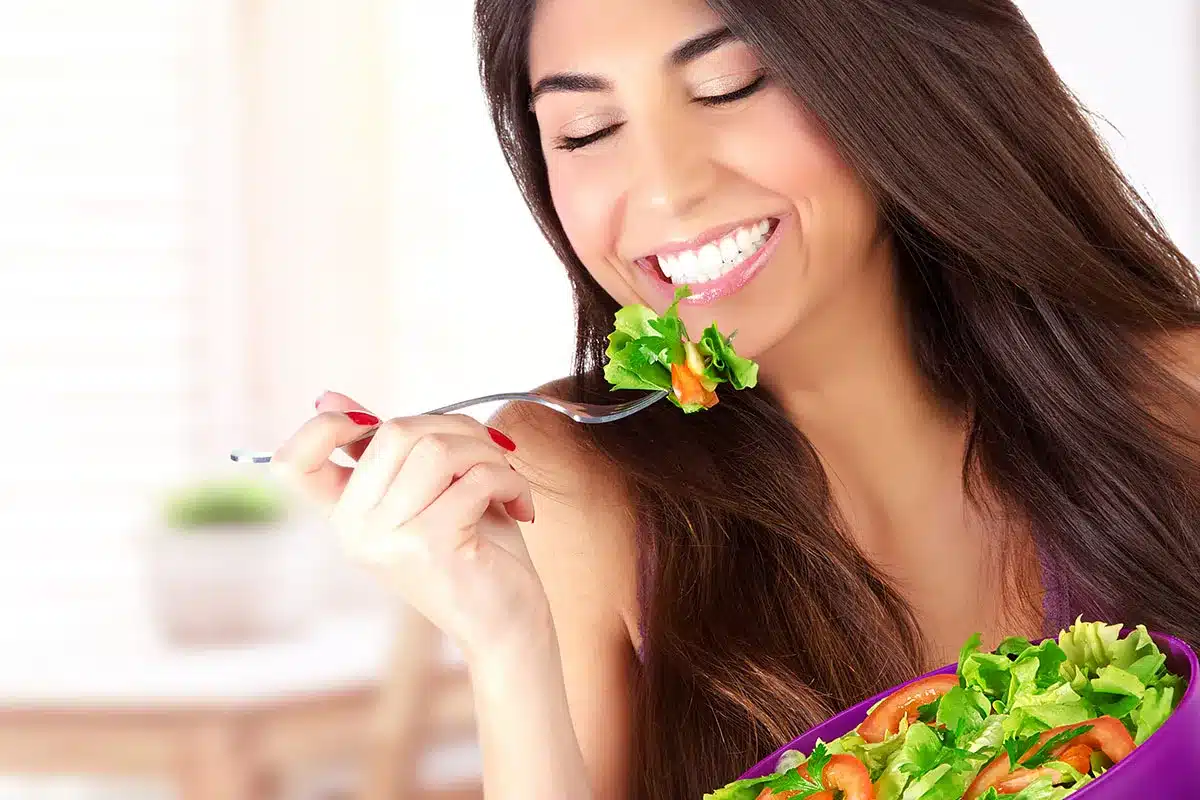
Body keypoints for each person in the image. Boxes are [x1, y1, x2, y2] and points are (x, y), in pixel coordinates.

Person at [270, 1, 1200, 797]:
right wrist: (504, 640)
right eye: (587, 132)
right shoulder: (563, 482)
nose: (669, 186)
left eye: (729, 86)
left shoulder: (1177, 393)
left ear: (889, 79)